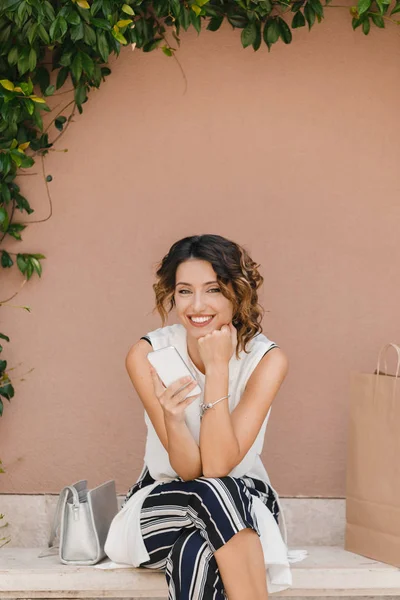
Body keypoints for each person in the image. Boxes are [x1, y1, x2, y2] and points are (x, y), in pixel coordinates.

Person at [105, 234, 296, 599]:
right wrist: (173, 420)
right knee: (209, 492)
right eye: (184, 291)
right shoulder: (148, 355)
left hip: (245, 505)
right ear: (171, 296)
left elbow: (220, 464)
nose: (196, 305)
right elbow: (193, 471)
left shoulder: (266, 361)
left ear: (237, 294)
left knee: (195, 552)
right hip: (162, 505)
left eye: (213, 290)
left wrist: (218, 368)